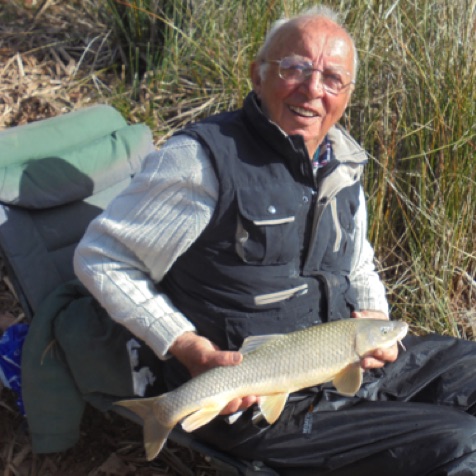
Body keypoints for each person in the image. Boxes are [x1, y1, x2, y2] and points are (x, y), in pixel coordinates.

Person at [74, 5, 476, 475]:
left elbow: (358, 262)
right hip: (257, 396)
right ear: (257, 74)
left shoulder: (343, 162)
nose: (312, 90)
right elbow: (103, 258)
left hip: (346, 362)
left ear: (346, 94)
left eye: (332, 79)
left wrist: (376, 326)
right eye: (294, 69)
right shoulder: (199, 161)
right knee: (461, 446)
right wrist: (186, 346)